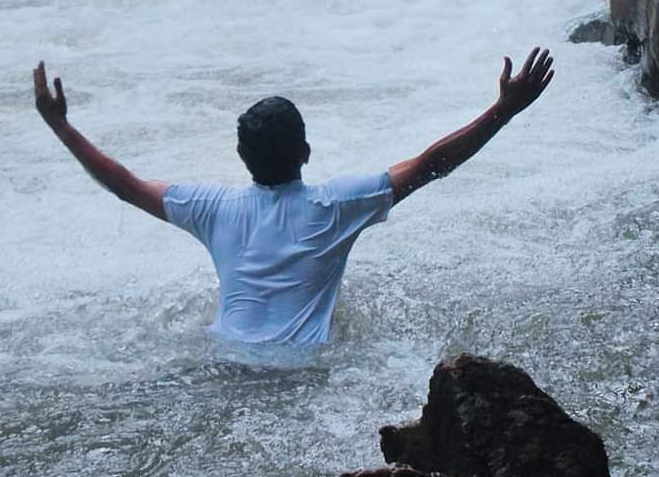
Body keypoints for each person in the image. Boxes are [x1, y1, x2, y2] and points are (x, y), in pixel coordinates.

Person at [32, 47, 554, 346]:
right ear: (305, 151)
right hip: (304, 372)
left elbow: (125, 185)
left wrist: (60, 126)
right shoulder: (338, 205)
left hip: (227, 359)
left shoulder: (211, 208)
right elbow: (431, 164)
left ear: (241, 156)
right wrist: (503, 111)